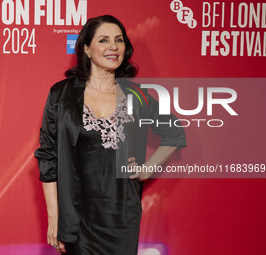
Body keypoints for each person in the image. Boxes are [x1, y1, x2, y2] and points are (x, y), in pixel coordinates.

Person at [34, 15, 186, 255]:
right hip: (77, 219)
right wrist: (54, 218)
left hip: (121, 218)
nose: (113, 47)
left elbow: (174, 132)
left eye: (119, 40)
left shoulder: (136, 95)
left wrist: (147, 168)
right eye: (103, 40)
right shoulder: (61, 95)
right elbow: (48, 157)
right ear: (87, 48)